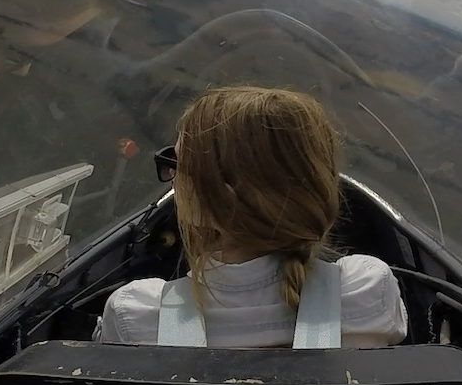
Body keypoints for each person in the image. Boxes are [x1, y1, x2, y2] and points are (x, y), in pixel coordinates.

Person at [96, 86, 409, 347]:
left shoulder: (135, 316)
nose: (172, 175)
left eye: (176, 163)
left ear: (217, 193)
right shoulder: (369, 291)